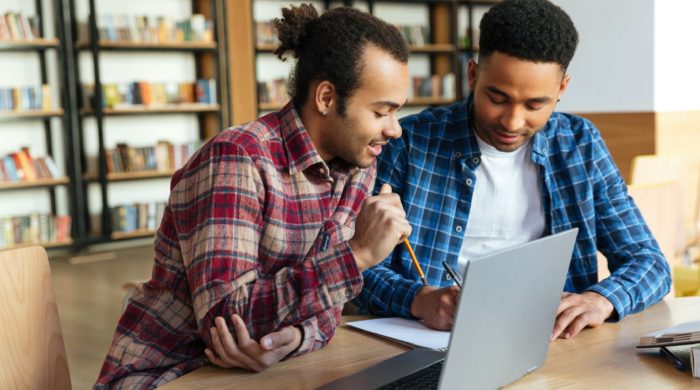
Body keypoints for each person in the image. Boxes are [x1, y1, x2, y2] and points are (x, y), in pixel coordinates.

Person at [95, 4, 411, 388]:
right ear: (326, 98)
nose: (394, 130)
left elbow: (326, 308)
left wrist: (293, 338)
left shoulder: (358, 167)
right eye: (381, 112)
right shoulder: (236, 160)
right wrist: (358, 254)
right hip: (168, 375)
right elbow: (227, 321)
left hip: (268, 372)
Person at [353, 0, 671, 339]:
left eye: (535, 104)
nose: (512, 121)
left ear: (561, 89)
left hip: (554, 344)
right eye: (498, 98)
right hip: (433, 343)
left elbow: (649, 263)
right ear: (473, 75)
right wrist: (418, 299)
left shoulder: (581, 145)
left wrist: (600, 299)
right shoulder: (409, 142)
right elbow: (356, 270)